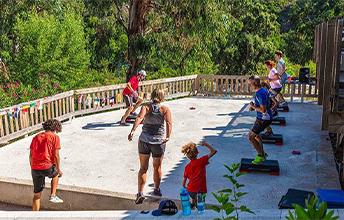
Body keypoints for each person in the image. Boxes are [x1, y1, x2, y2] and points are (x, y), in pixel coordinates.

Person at [128, 88, 172, 204]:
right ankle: (156, 190)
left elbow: (139, 118)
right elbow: (168, 123)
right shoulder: (165, 110)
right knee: (157, 167)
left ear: (152, 96)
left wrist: (133, 130)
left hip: (144, 141)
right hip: (158, 142)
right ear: (162, 97)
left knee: (143, 168)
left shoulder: (145, 107)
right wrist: (167, 136)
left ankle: (140, 193)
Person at [29, 119, 63, 211]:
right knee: (55, 175)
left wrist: (32, 167)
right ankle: (53, 195)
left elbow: (31, 155)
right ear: (55, 128)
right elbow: (56, 155)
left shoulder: (36, 137)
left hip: (35, 168)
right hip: (47, 167)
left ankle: (34, 216)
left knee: (37, 195)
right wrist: (58, 169)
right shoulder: (54, 137)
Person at [181, 141, 217, 209]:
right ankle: (197, 209)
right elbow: (214, 151)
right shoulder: (201, 161)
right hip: (201, 190)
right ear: (197, 153)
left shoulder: (187, 167)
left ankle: (192, 204)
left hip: (190, 190)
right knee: (200, 205)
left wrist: (184, 187)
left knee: (193, 196)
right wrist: (206, 144)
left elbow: (184, 180)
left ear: (188, 156)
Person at [248, 75, 272, 164]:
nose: (250, 85)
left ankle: (260, 155)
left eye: (251, 84)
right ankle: (262, 153)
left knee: (251, 137)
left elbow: (263, 110)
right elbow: (262, 106)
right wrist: (254, 107)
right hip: (264, 118)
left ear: (256, 83)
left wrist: (253, 106)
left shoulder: (260, 93)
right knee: (257, 136)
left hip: (263, 119)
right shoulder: (263, 90)